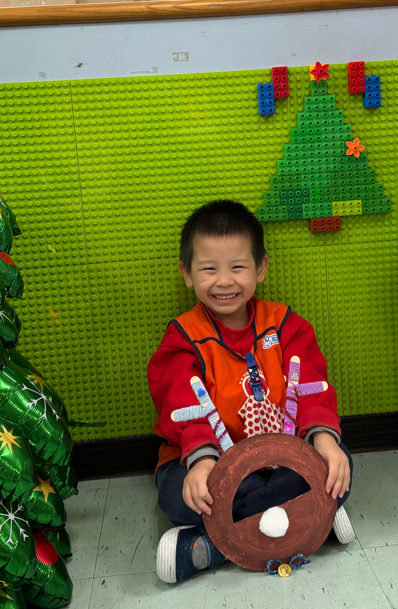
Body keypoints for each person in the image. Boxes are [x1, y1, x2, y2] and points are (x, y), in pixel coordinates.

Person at [148, 200, 354, 584]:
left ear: (260, 268)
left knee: (338, 467)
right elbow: (179, 399)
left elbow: (312, 386)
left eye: (238, 267)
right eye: (209, 269)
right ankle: (305, 519)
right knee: (181, 495)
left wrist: (324, 439)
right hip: (212, 462)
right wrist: (202, 460)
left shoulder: (286, 325)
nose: (224, 281)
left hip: (282, 456)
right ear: (187, 274)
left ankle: (214, 545)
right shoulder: (183, 337)